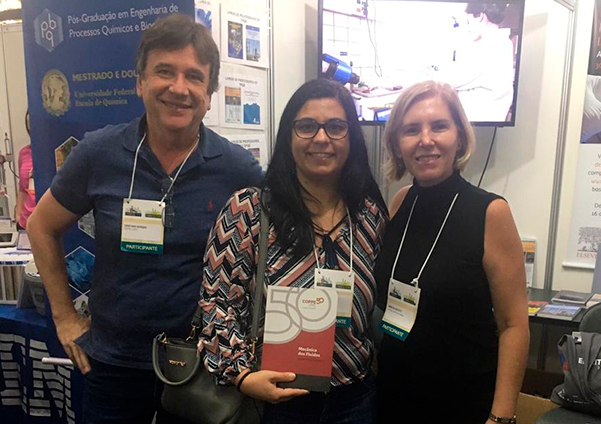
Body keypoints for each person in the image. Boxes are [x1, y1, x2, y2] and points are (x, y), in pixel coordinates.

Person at [27, 14, 262, 424]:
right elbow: (40, 226)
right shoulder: (98, 154)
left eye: (194, 77)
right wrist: (64, 317)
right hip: (113, 363)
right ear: (139, 82)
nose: (179, 88)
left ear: (209, 95)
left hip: (201, 365)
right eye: (164, 72)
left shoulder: (236, 168)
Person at [198, 78, 388, 423]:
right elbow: (216, 302)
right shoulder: (249, 210)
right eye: (307, 126)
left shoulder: (368, 215)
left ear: (351, 138)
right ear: (289, 135)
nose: (321, 138)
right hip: (275, 401)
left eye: (336, 127)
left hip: (355, 401)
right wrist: (241, 375)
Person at [374, 81, 529, 423]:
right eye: (411, 130)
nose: (425, 139)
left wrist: (502, 417)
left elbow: (513, 325)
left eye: (439, 126)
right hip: (394, 397)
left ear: (459, 137)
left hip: (463, 403)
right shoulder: (400, 203)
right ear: (397, 144)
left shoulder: (491, 213)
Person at [446, 3, 515, 122]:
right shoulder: (501, 42)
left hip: (478, 118)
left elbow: (453, 80)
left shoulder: (493, 44)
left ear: (480, 17)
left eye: (468, 22)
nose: (467, 28)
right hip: (481, 118)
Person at [16, 110, 36, 231]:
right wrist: (18, 216)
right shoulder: (24, 153)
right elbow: (22, 189)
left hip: (48, 223)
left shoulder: (56, 151)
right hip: (25, 223)